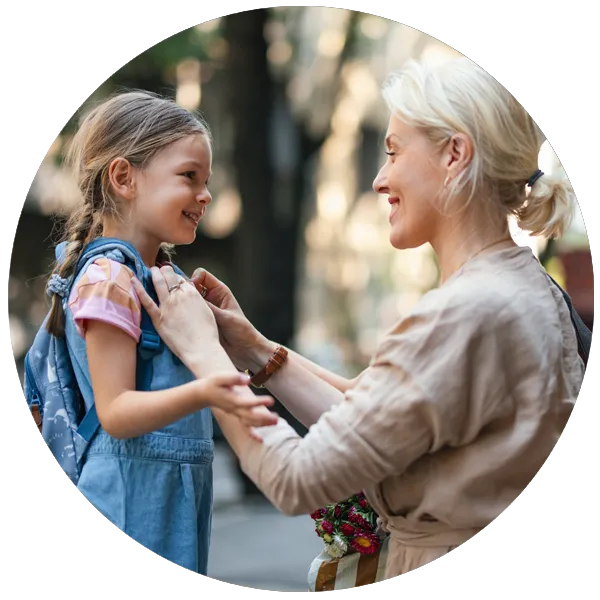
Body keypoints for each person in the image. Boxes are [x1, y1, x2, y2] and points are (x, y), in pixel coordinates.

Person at [132, 57, 586, 582]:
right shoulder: (519, 288)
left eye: (393, 152)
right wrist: (250, 347)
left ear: (454, 155)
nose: (379, 179)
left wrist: (204, 355)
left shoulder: (465, 313)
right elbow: (369, 417)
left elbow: (297, 478)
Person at [42, 90, 279, 575]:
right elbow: (116, 412)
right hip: (127, 498)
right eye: (189, 176)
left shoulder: (156, 280)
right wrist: (204, 391)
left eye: (206, 181)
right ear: (124, 178)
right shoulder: (108, 279)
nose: (205, 194)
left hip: (169, 497)